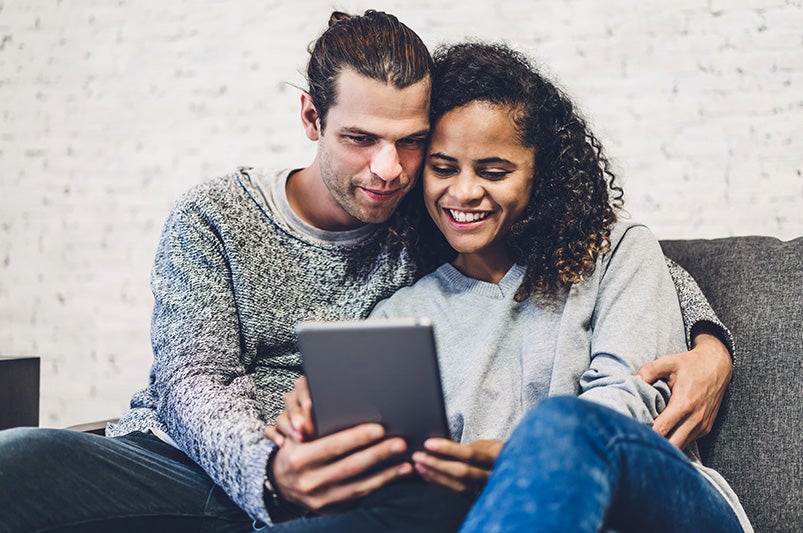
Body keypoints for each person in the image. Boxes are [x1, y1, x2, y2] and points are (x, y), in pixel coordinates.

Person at [0, 10, 733, 533]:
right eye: (362, 140)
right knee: (18, 457)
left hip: (584, 484)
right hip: (217, 463)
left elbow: (621, 262)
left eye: (411, 145)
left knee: (528, 445)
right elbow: (192, 378)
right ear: (311, 120)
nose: (391, 170)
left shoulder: (498, 230)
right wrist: (282, 453)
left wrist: (710, 340)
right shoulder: (246, 227)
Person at [274, 41, 751, 531]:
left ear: (538, 173)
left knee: (562, 425)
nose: (464, 192)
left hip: (655, 505)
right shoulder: (400, 314)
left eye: (494, 171)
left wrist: (514, 462)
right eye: (443, 169)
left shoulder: (617, 253)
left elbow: (631, 404)